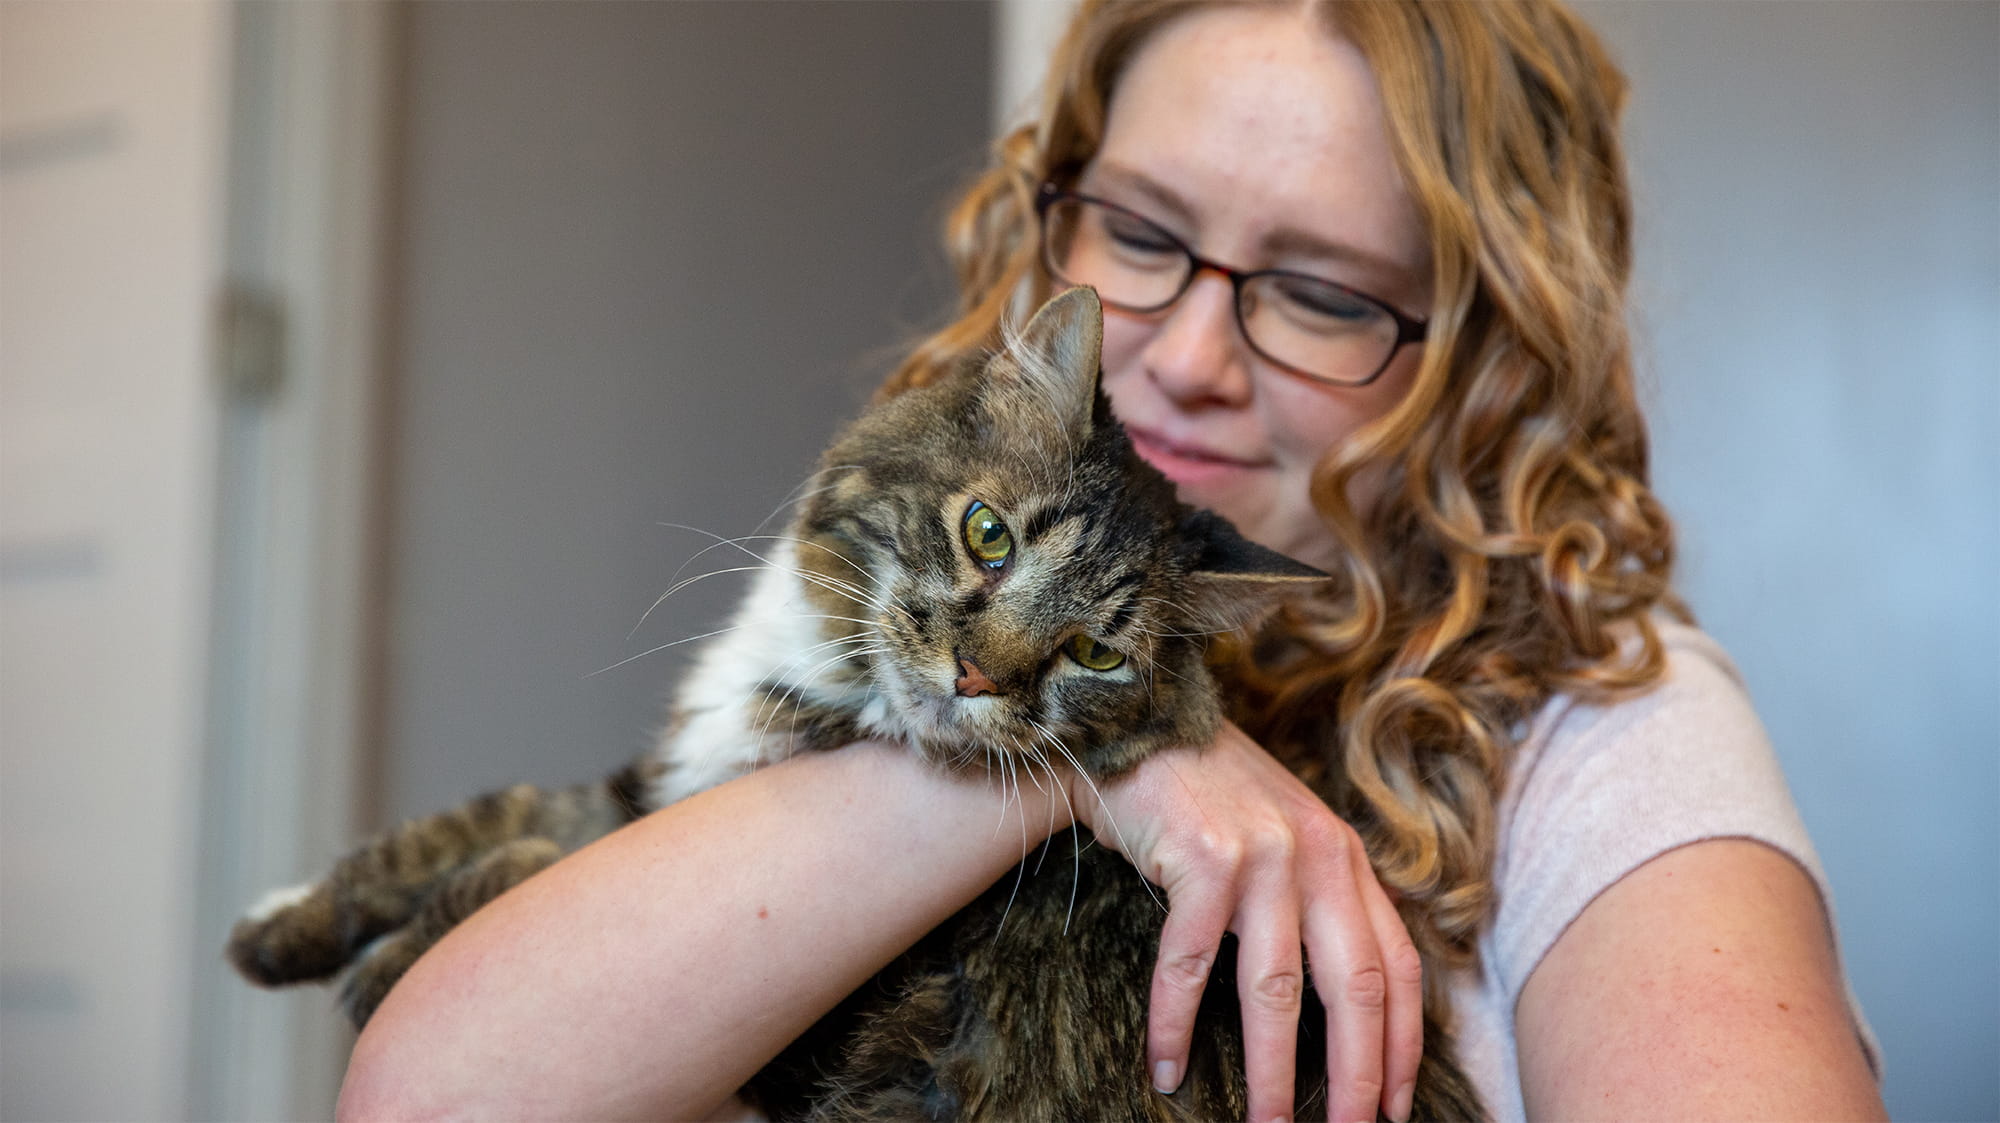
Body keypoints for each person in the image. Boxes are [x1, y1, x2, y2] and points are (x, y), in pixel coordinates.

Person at [338, 2, 1886, 1120]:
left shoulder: (1605, 727)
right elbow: (432, 1098)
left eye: (1324, 296)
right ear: (1050, 220)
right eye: (1141, 235)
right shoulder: (935, 578)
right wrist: (1095, 763)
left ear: (1482, 361)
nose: (1190, 359)